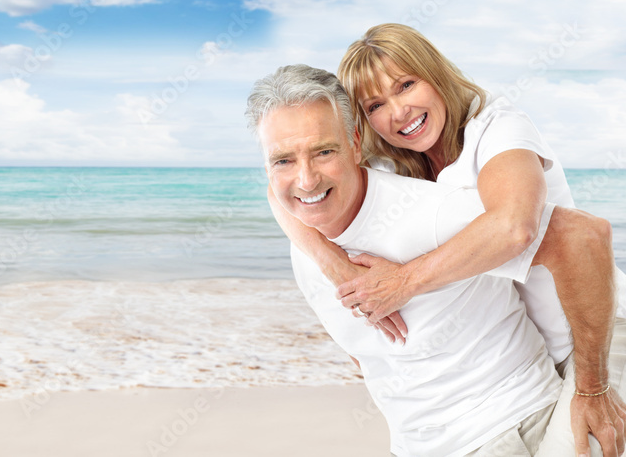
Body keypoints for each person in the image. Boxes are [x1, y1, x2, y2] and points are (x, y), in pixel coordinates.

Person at [267, 24, 626, 455]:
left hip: (594, 333)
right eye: (376, 104)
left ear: (434, 73)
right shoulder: (402, 156)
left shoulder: (496, 129)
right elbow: (287, 184)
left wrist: (403, 282)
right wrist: (331, 262)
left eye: (406, 85)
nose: (398, 112)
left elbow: (516, 227)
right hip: (533, 353)